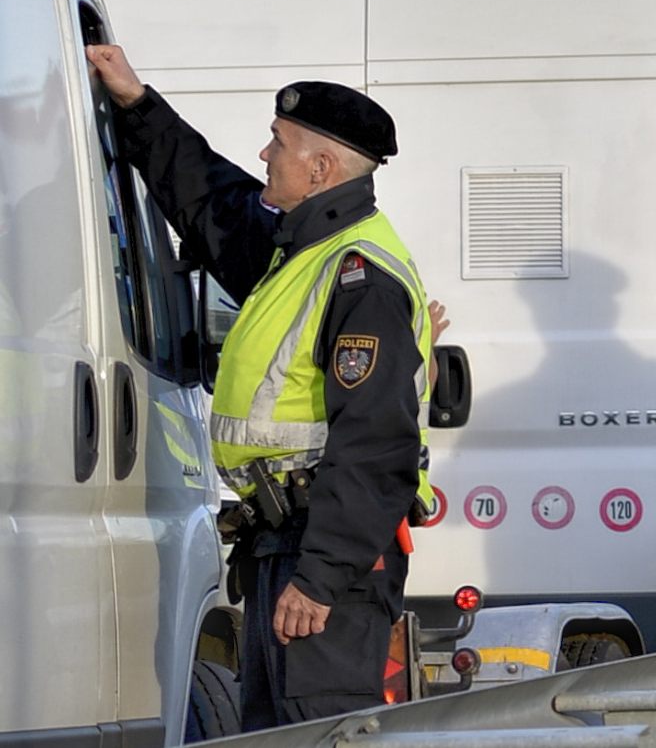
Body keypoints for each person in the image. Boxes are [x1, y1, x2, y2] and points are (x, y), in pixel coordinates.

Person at [86, 45, 435, 730]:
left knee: (320, 729)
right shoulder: (297, 249)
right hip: (287, 540)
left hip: (324, 556)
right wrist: (136, 105)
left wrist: (320, 576)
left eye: (278, 142)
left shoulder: (359, 275)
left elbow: (375, 443)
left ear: (321, 167)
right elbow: (210, 198)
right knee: (275, 731)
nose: (263, 152)